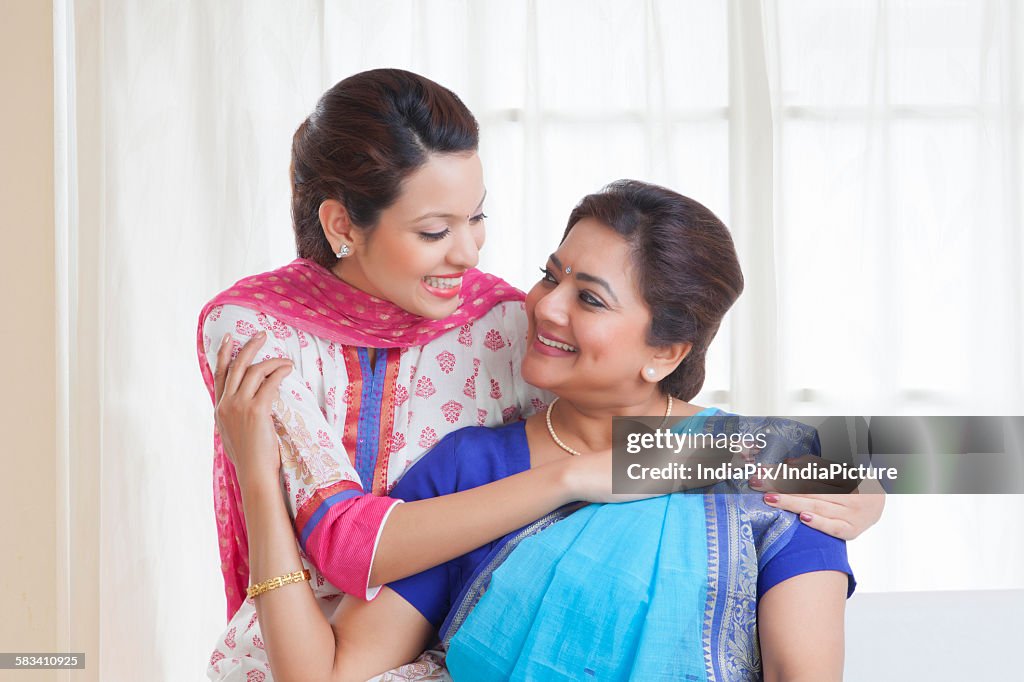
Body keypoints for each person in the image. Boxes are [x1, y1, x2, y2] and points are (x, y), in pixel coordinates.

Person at [214, 181, 855, 681]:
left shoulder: (751, 457)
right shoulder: (469, 467)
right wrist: (261, 482)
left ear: (666, 352)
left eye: (591, 299)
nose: (546, 305)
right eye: (552, 274)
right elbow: (324, 671)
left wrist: (867, 482)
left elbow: (802, 672)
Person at [199, 68, 629, 681]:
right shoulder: (258, 331)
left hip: (466, 654)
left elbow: (635, 422)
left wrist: (793, 469)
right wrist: (570, 478)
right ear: (343, 225)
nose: (468, 253)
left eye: (476, 218)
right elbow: (347, 544)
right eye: (435, 231)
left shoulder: (505, 322)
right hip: (297, 653)